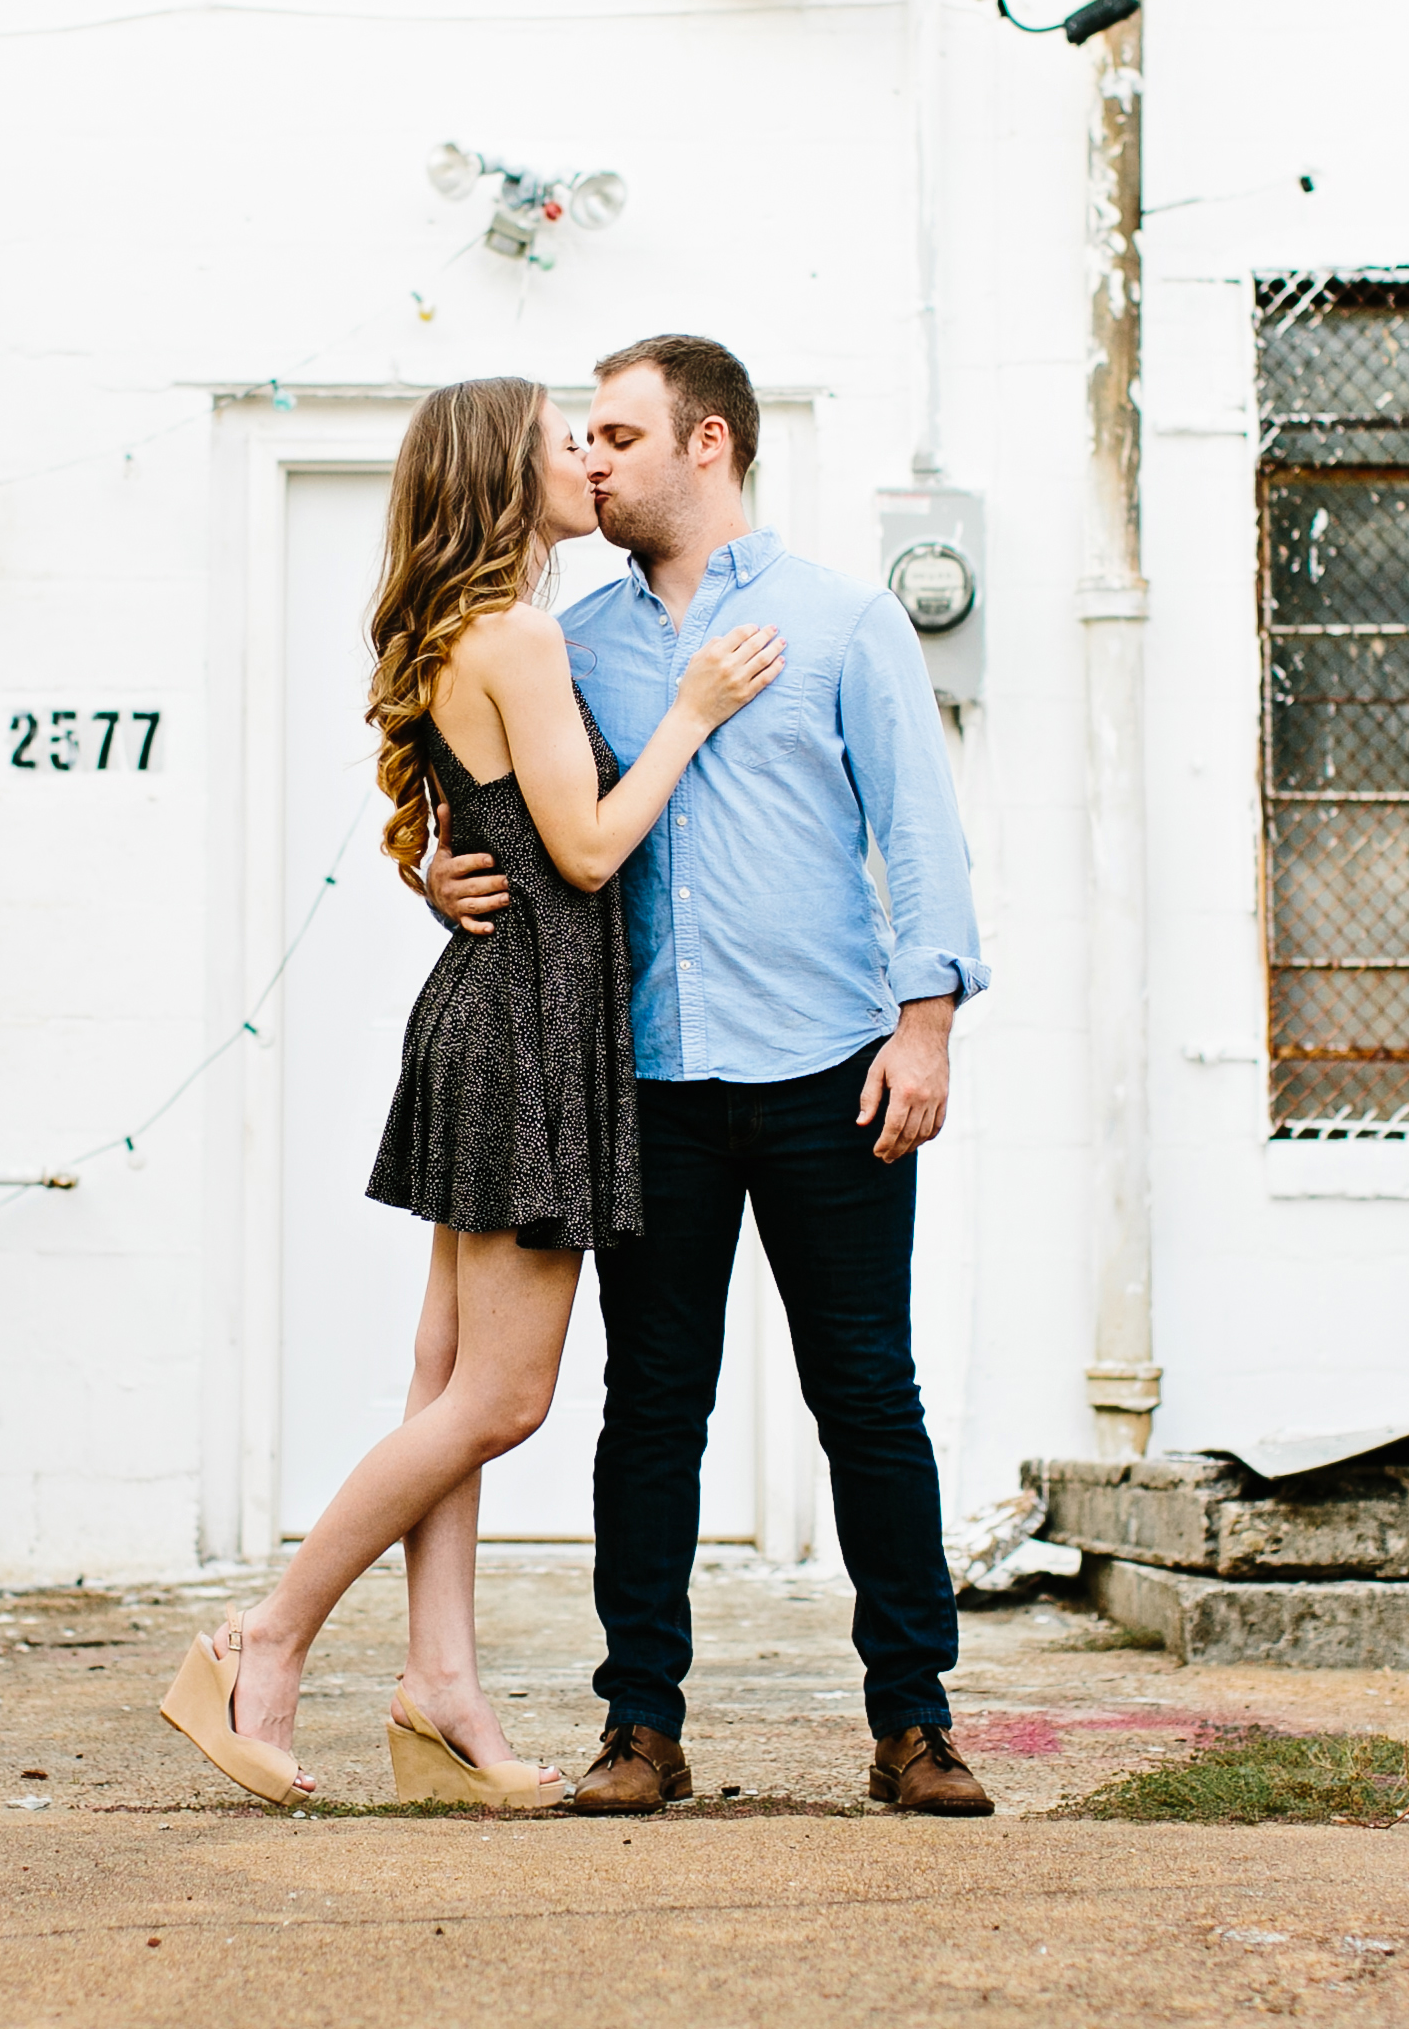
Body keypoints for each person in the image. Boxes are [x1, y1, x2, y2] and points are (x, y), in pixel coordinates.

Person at [160, 373, 784, 1810]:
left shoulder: (473, 629)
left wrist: (439, 873)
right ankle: (263, 1638)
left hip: (491, 1016)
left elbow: (480, 835)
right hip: (524, 1031)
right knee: (500, 1399)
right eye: (564, 442)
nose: (588, 458)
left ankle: (440, 1692)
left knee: (446, 1385)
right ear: (508, 477)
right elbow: (583, 849)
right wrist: (690, 712)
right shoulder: (516, 633)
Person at [426, 332, 996, 1818]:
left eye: (618, 435)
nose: (591, 461)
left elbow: (920, 834)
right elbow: (524, 814)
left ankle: (915, 1724)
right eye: (584, 441)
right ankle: (640, 1728)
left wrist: (924, 1024)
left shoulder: (845, 619)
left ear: (710, 445)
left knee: (868, 1396)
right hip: (650, 1085)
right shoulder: (576, 641)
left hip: (834, 1072)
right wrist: (436, 869)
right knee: (651, 1406)